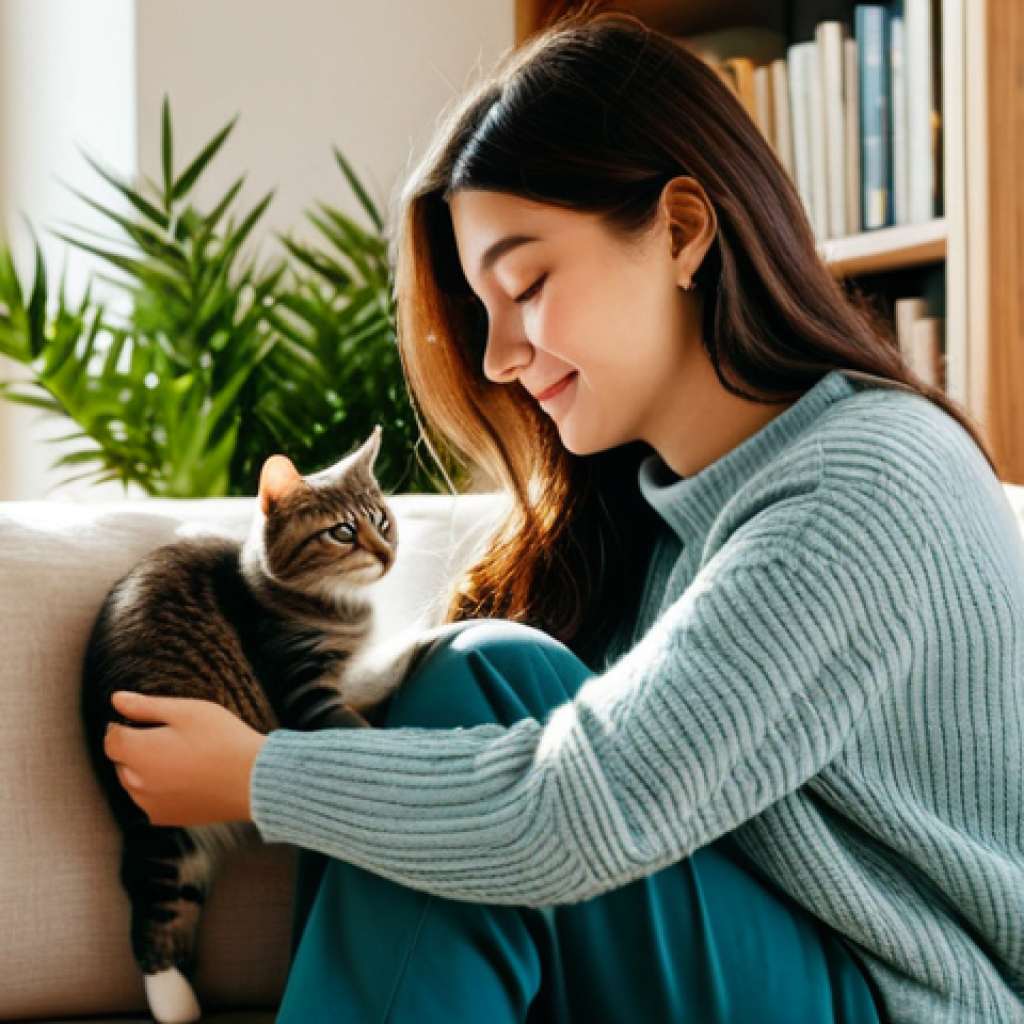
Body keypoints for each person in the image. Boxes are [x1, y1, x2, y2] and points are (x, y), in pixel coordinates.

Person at [103, 10, 1024, 1023]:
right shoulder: (661, 513)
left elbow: (584, 809)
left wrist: (260, 775)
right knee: (470, 682)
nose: (496, 356)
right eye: (480, 309)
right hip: (777, 969)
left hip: (909, 1000)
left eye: (527, 284)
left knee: (483, 680)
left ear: (680, 231)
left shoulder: (865, 482)